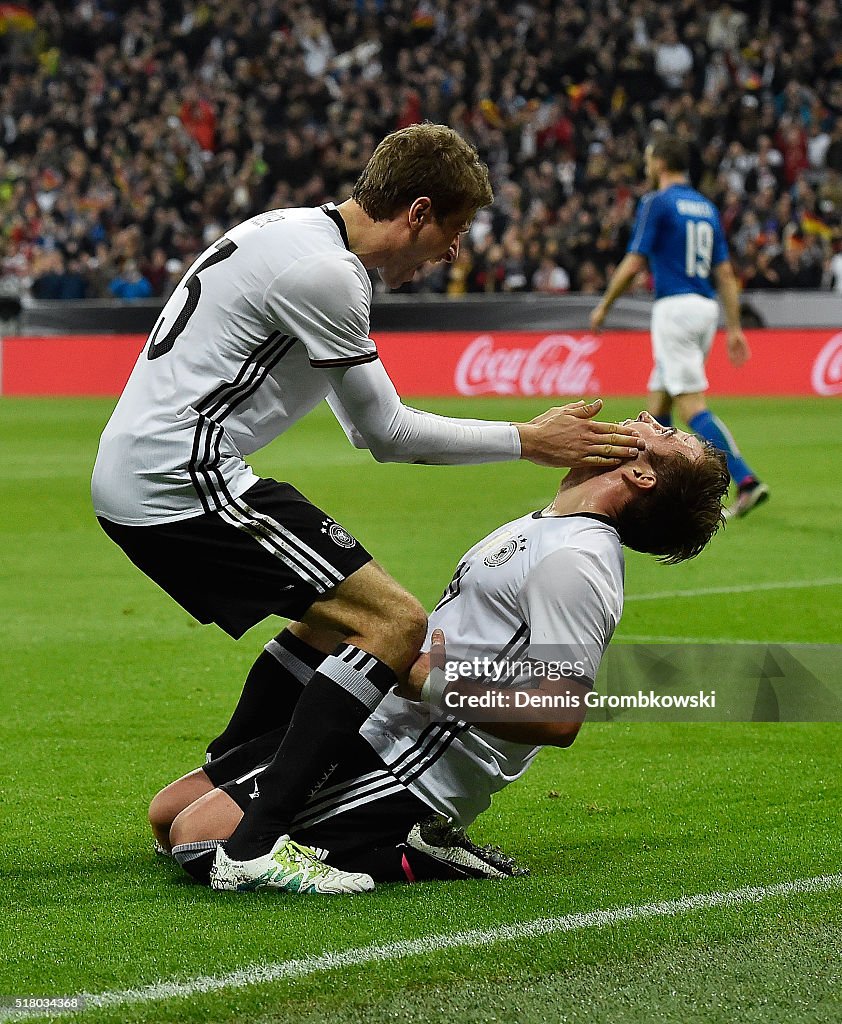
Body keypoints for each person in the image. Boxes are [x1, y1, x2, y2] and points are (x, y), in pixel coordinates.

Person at [92, 123, 644, 895]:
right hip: (181, 477)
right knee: (395, 623)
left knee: (333, 621)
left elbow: (359, 426)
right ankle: (255, 847)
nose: (452, 252)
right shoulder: (330, 275)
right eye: (453, 230)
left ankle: (218, 790)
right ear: (418, 211)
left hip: (147, 472)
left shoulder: (291, 234)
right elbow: (387, 434)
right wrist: (531, 438)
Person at [147, 412, 729, 894]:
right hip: (378, 721)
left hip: (415, 766)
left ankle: (414, 849)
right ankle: (273, 784)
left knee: (199, 841)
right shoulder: (549, 527)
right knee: (165, 815)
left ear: (643, 476)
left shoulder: (578, 559)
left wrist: (429, 680)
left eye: (667, 436)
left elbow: (558, 714)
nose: (650, 418)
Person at [590, 134, 769, 521]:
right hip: (704, 307)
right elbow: (723, 270)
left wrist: (605, 304)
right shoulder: (705, 207)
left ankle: (746, 479)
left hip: (674, 307)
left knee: (691, 404)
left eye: (649, 158)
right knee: (659, 406)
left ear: (659, 163)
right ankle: (667, 488)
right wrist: (734, 326)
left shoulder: (657, 202)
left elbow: (635, 261)